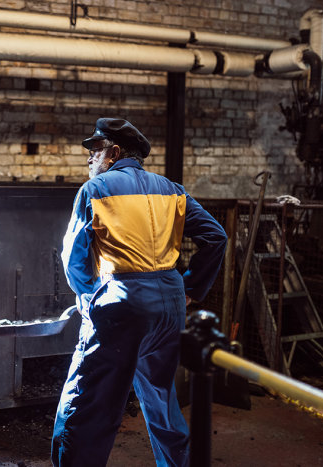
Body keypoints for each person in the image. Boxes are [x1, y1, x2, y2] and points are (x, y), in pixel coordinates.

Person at [51, 118, 227, 466]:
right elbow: (216, 236)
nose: (89, 159)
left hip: (122, 306)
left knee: (88, 404)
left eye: (95, 150)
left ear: (114, 153)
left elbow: (74, 259)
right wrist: (191, 288)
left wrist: (88, 298)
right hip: (170, 306)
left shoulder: (96, 189)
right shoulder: (172, 189)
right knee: (161, 400)